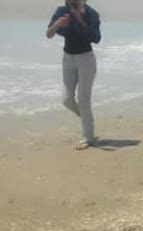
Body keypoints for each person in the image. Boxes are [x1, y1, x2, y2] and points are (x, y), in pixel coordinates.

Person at [46, 0, 101, 150]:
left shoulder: (91, 14)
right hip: (68, 58)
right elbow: (48, 34)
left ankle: (88, 137)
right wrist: (57, 24)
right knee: (66, 99)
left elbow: (96, 38)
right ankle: (87, 120)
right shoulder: (61, 11)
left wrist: (80, 19)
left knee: (83, 99)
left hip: (86, 59)